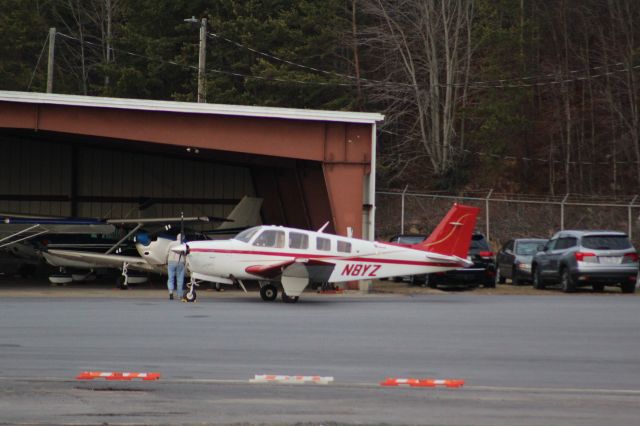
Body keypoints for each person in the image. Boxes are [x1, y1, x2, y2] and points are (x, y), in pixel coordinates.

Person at [166, 233, 186, 300]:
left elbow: (166, 253)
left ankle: (171, 292)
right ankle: (179, 295)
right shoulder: (184, 244)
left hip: (171, 261)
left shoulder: (171, 243)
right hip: (181, 262)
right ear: (183, 238)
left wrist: (166, 260)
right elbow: (186, 255)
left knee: (170, 278)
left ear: (177, 237)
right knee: (180, 279)